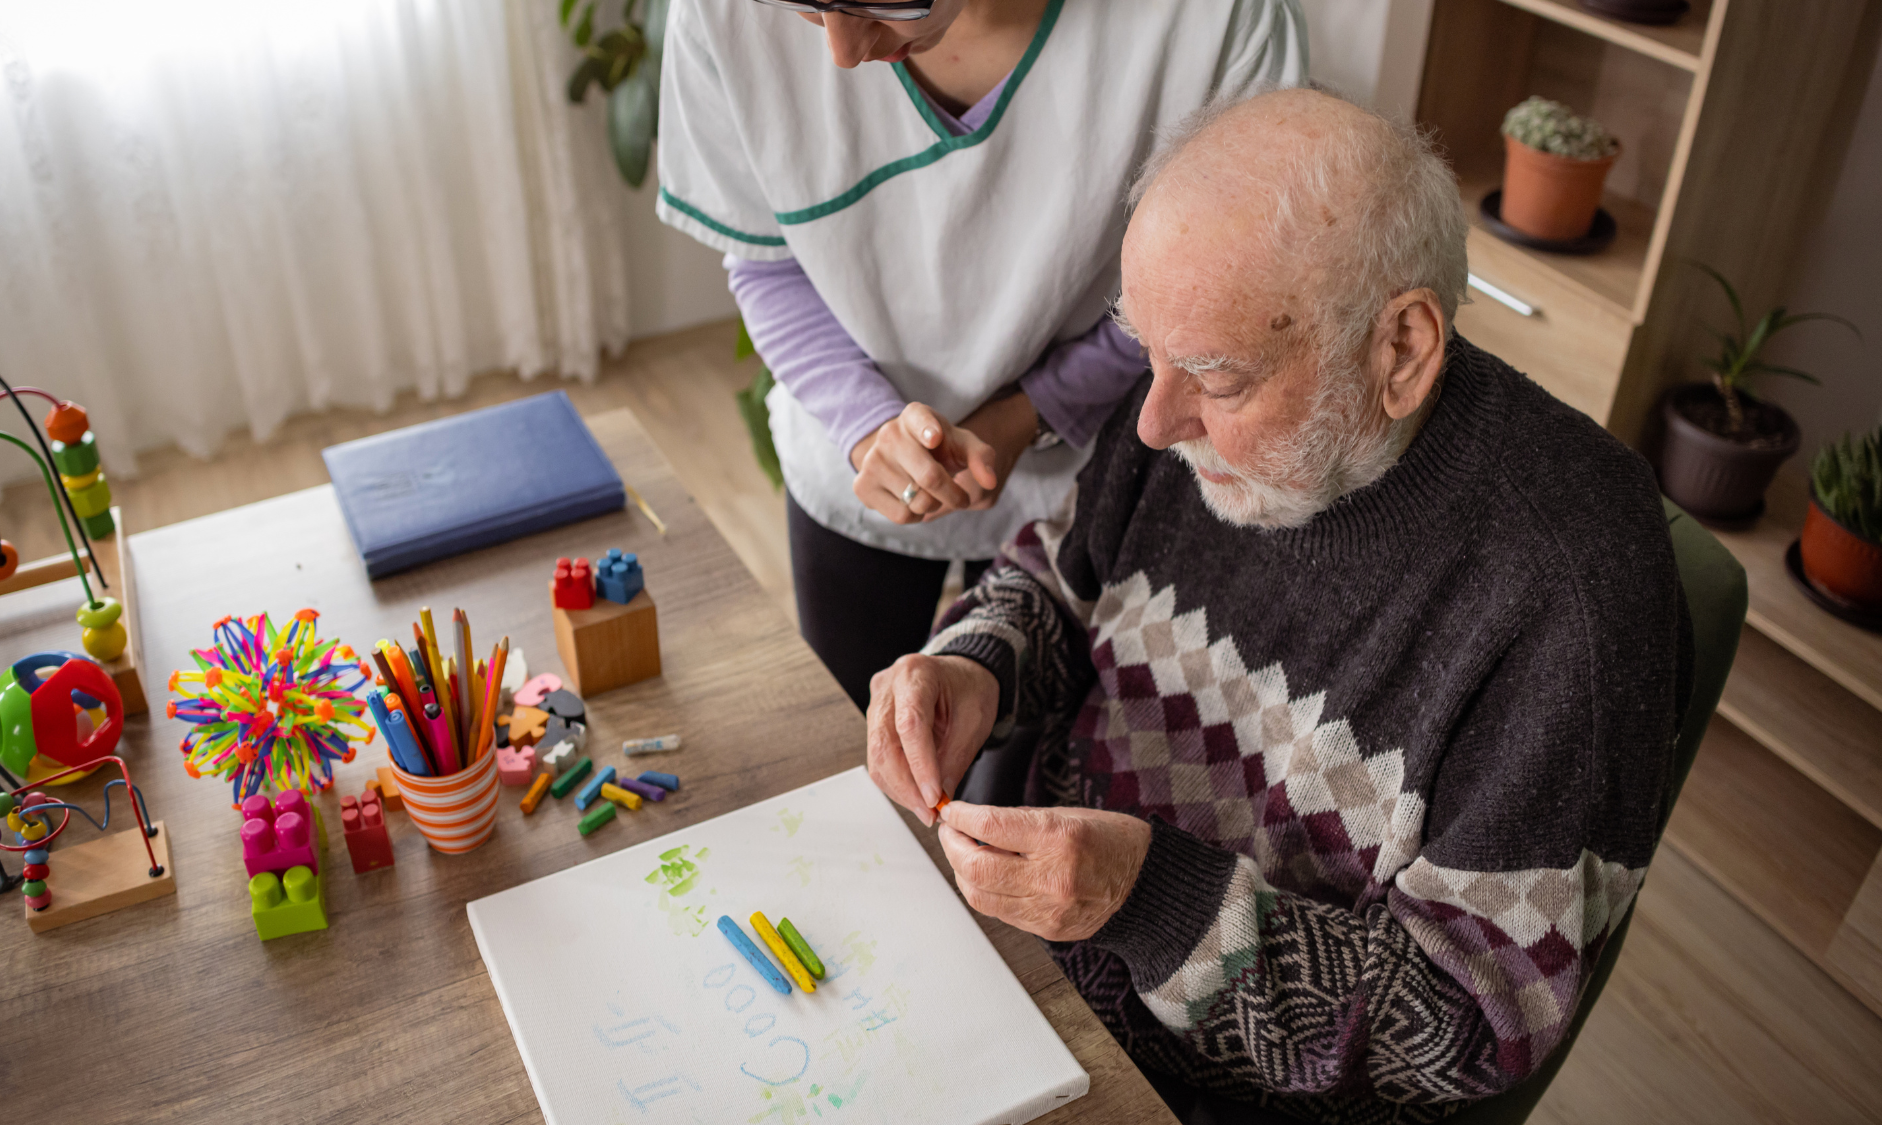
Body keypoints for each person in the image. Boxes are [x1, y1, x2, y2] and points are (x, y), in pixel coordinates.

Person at [864, 88, 1692, 1123]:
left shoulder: (1570, 592)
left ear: (1399, 351)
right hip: (1017, 969)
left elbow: (1471, 1029)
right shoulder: (1191, 390)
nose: (1155, 423)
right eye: (1144, 355)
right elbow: (1055, 576)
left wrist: (1146, 901)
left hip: (1209, 1097)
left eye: (1214, 377)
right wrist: (976, 666)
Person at [655, 0, 1309, 709]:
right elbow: (768, 262)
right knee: (862, 741)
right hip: (853, 459)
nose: (842, 54)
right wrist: (866, 424)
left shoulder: (1214, 20)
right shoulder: (719, 14)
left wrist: (1036, 412)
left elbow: (1208, 286)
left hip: (1087, 472)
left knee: (1033, 759)